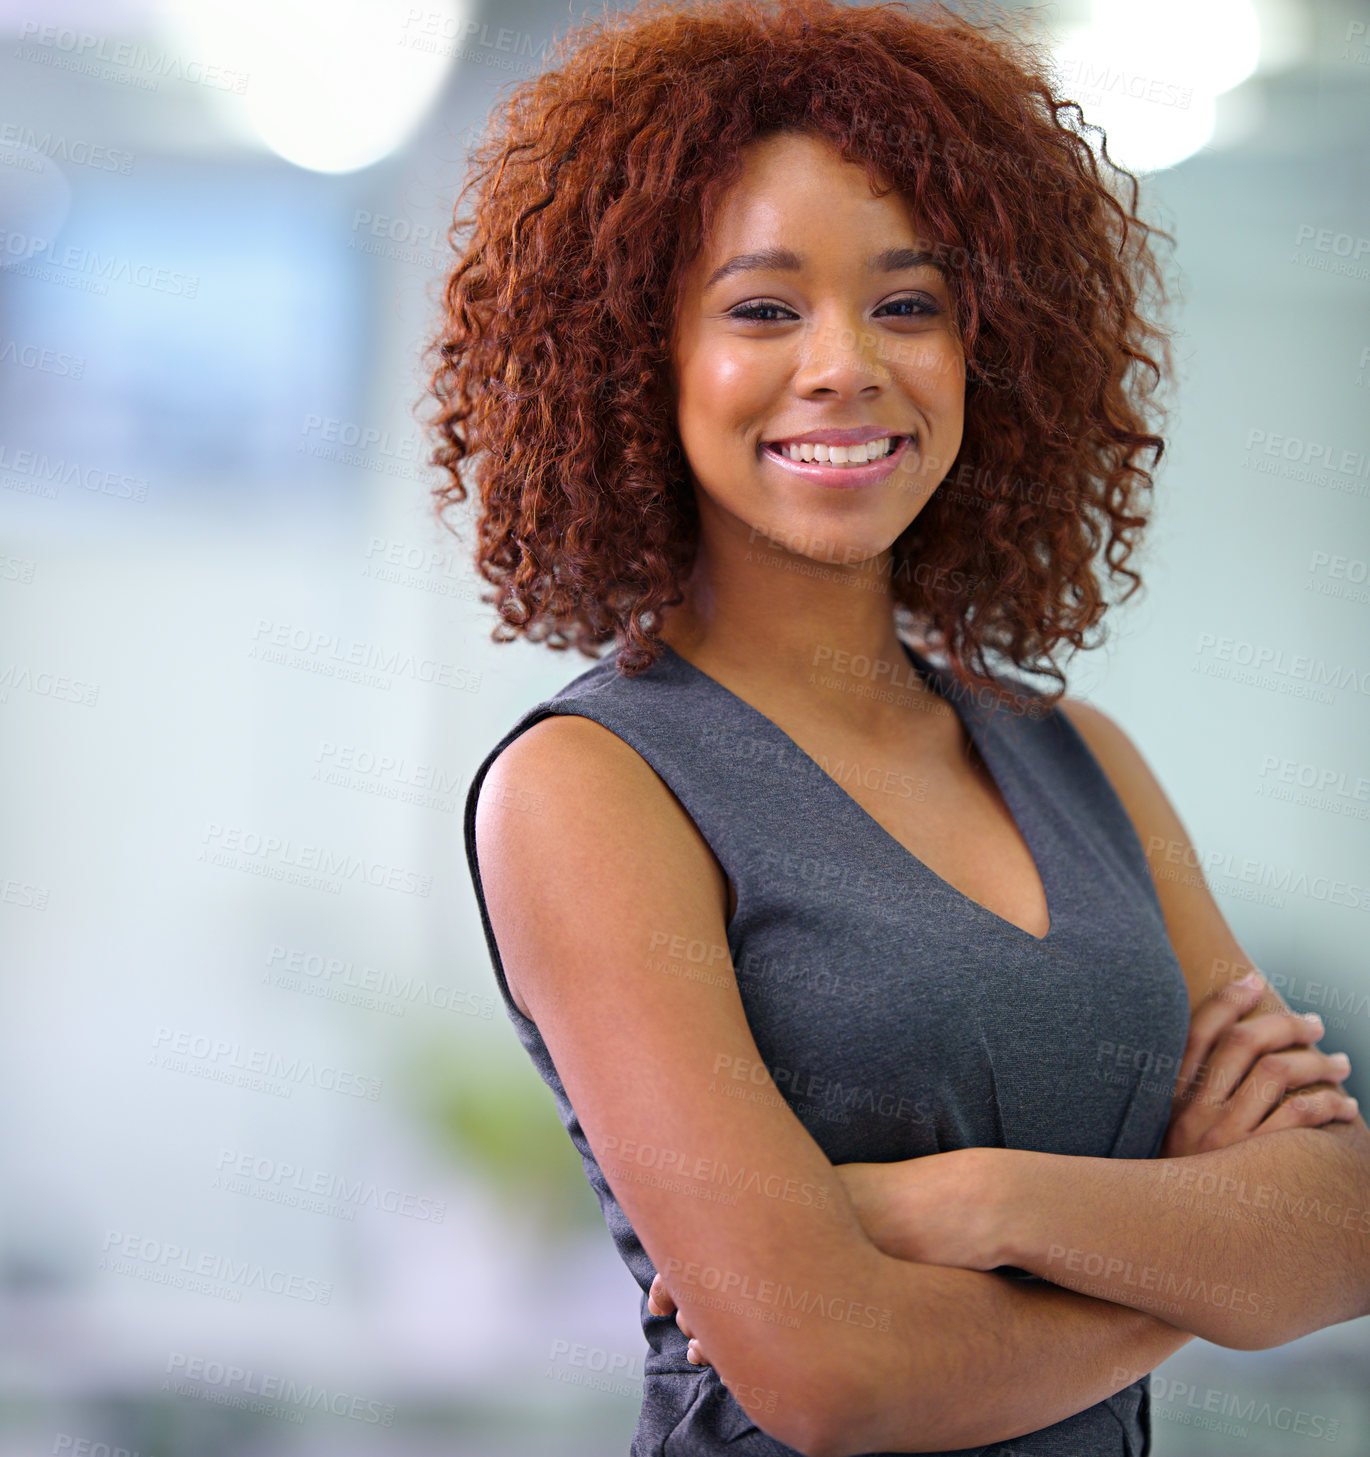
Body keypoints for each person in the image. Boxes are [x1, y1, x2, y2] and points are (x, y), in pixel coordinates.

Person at [424, 1, 1370, 1452]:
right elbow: (833, 1377)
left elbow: (1338, 1224)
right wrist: (1215, 1258)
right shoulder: (589, 788)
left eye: (908, 303)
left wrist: (967, 1202)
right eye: (760, 307)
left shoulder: (1082, 764)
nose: (844, 364)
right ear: (636, 361)